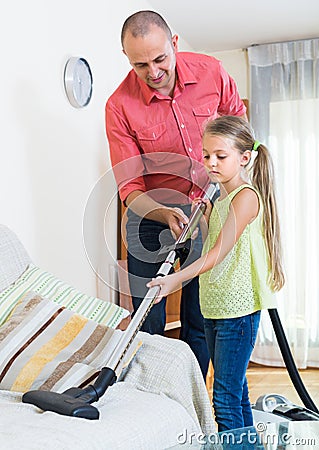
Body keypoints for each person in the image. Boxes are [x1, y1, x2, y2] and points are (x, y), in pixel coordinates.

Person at [105, 10, 247, 379]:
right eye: (140, 64)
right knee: (148, 317)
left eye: (159, 58)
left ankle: (191, 392)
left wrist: (228, 183)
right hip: (151, 215)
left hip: (208, 205)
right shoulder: (119, 106)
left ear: (175, 44)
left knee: (199, 313)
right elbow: (130, 189)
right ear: (127, 59)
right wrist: (164, 214)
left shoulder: (211, 71)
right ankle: (149, 394)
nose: (152, 72)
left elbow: (239, 123)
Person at [147, 115, 285, 431]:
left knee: (223, 400)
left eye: (220, 156)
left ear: (245, 158)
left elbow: (216, 254)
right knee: (235, 395)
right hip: (215, 306)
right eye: (207, 155)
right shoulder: (222, 199)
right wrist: (207, 219)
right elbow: (218, 247)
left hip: (238, 312)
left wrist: (174, 281)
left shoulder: (246, 197)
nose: (211, 163)